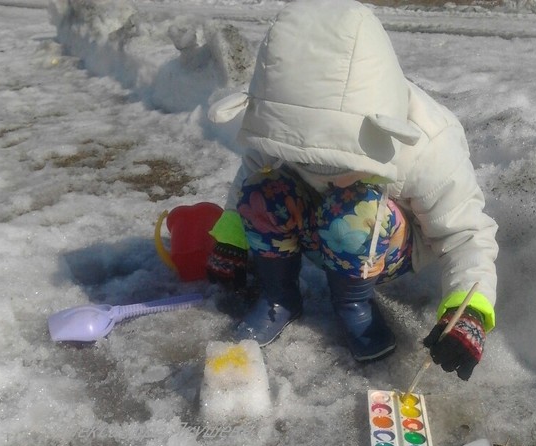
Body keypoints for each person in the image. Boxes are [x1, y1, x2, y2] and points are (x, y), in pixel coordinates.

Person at [206, 0, 497, 380]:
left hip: (380, 245)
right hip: (316, 229)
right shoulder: (282, 117)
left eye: (334, 163)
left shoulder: (427, 143)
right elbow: (251, 170)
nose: (318, 172)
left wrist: (468, 309)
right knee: (262, 191)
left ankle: (353, 304)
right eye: (301, 158)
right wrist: (233, 237)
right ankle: (279, 296)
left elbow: (465, 234)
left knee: (353, 214)